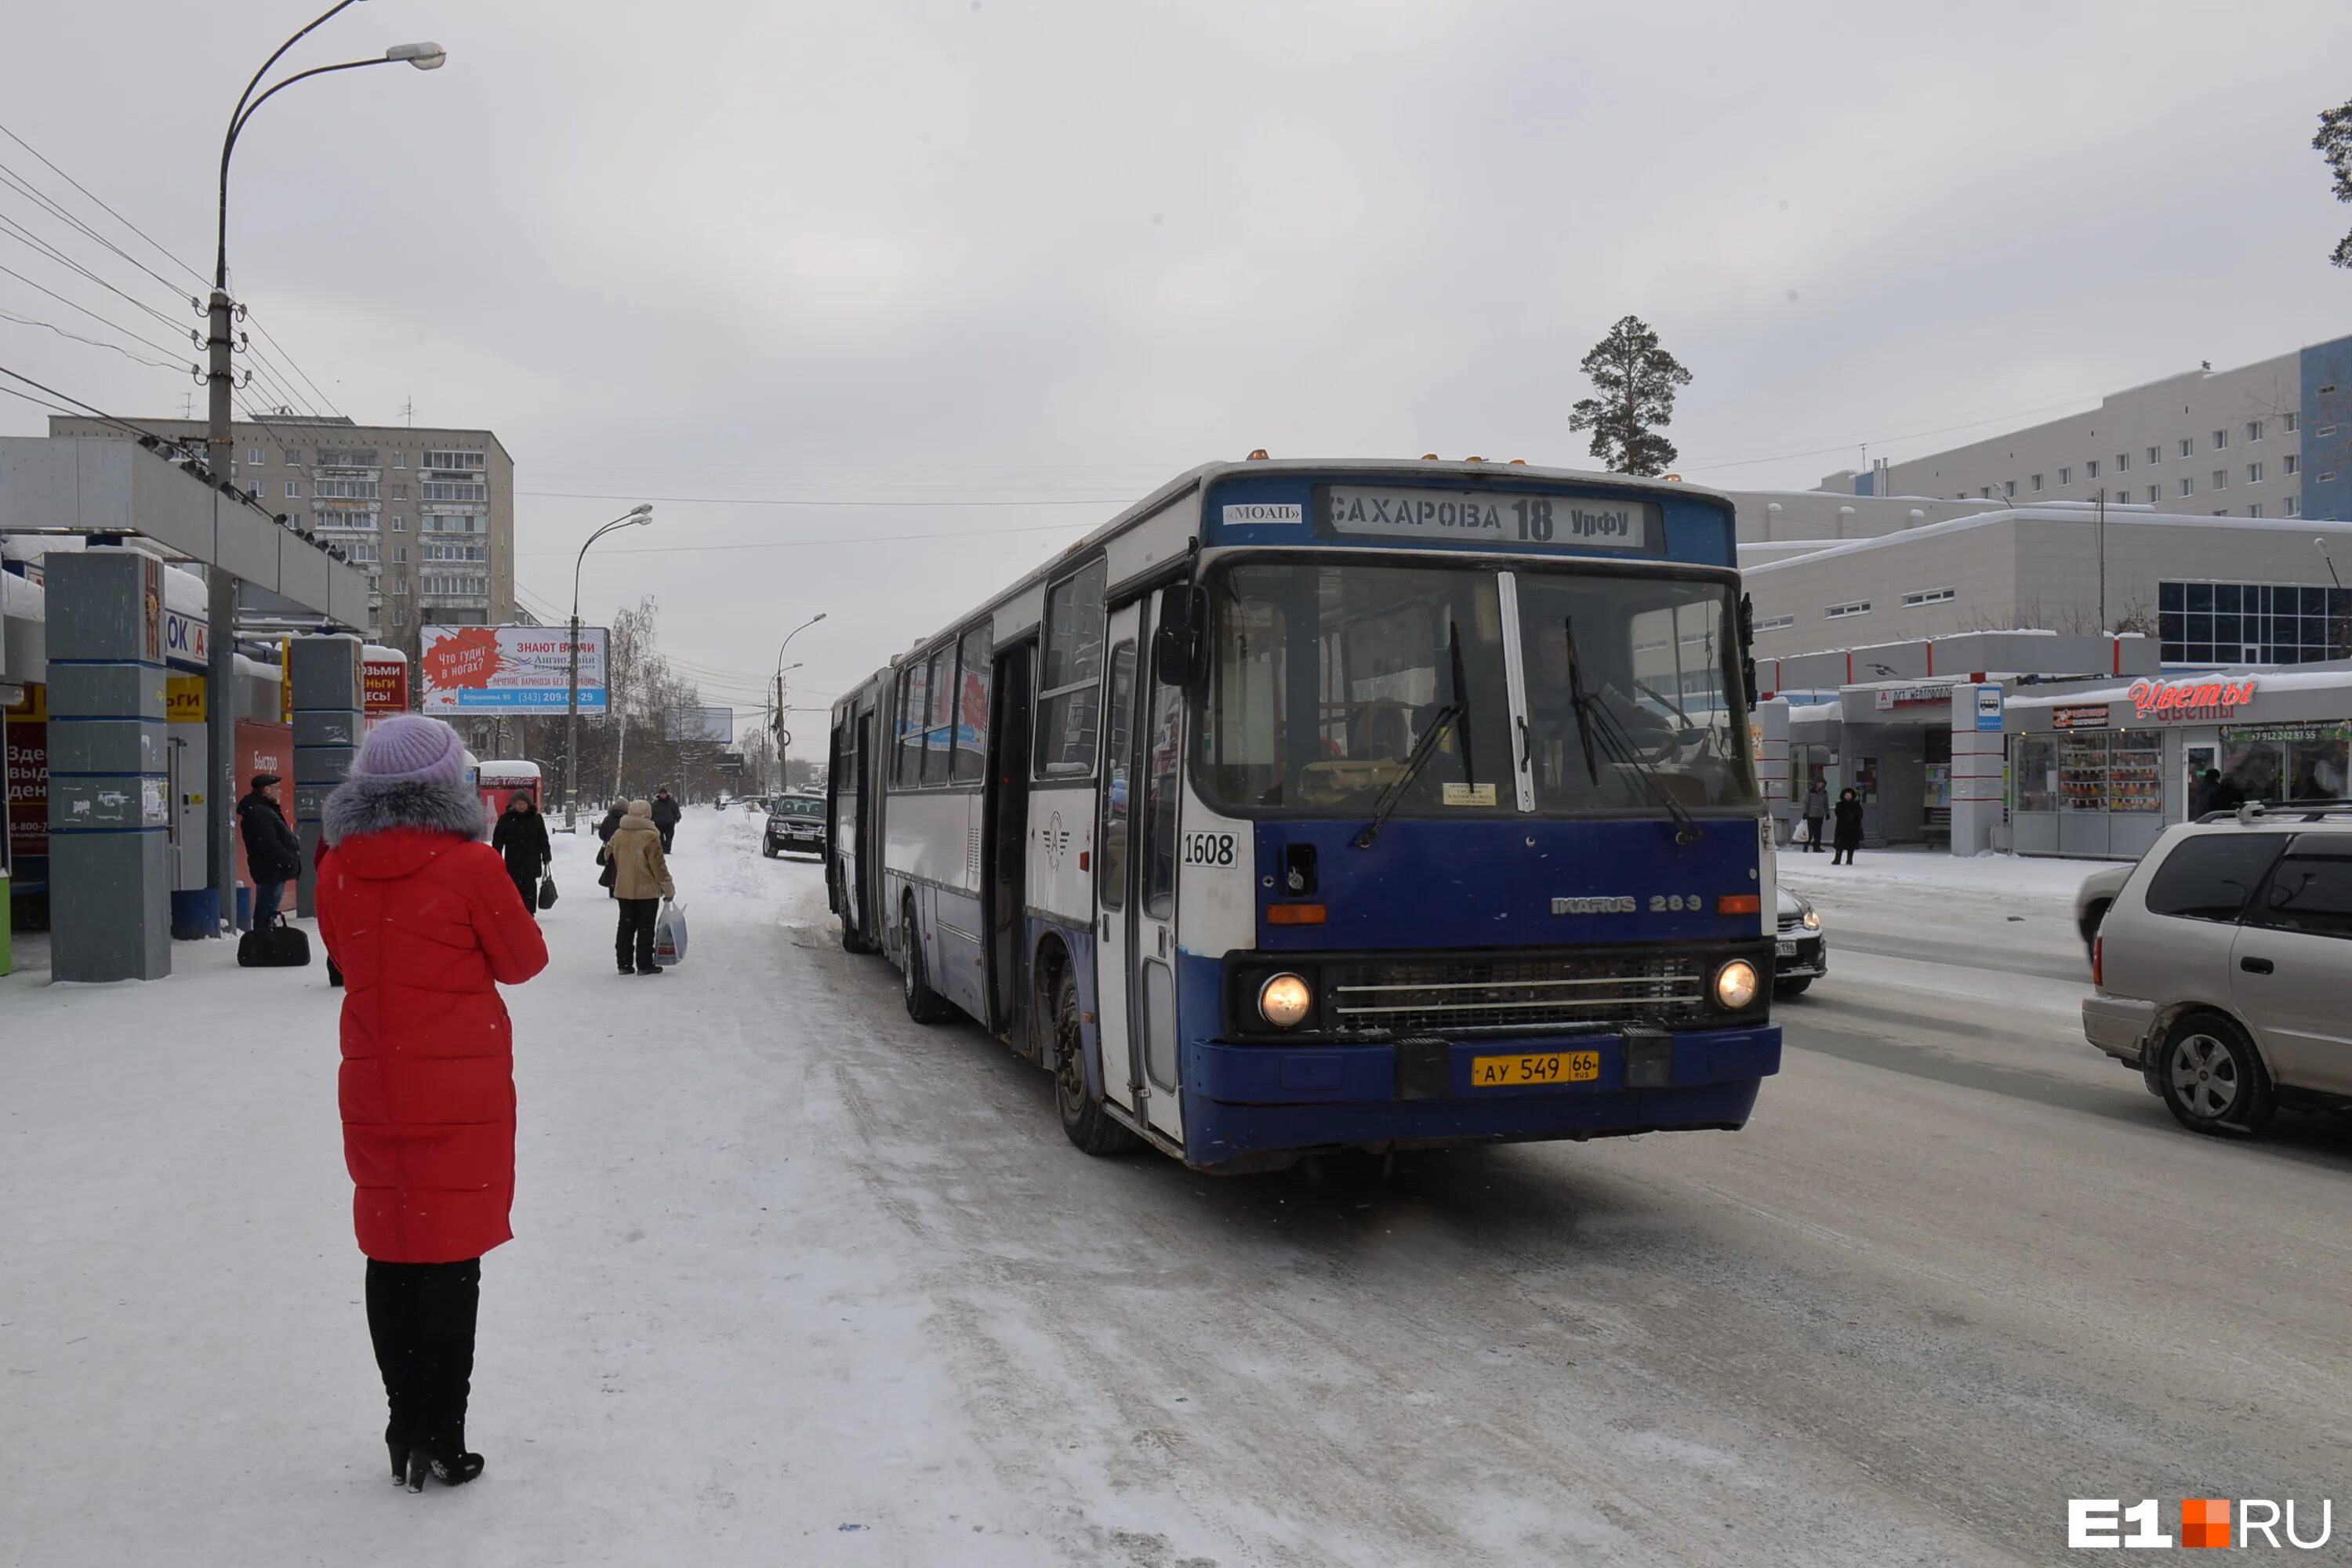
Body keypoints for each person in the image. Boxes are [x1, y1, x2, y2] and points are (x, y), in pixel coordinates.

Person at [316, 715, 550, 1492]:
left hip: (376, 1081)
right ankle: (444, 1437)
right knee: (451, 1258)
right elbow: (524, 961)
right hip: (459, 1090)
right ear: (450, 785)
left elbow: (348, 958)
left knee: (391, 1250)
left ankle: (402, 1420)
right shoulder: (470, 867)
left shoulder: (337, 865)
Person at [605, 797, 676, 976]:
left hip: (624, 888)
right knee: (645, 927)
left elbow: (608, 853)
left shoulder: (619, 834)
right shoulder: (650, 836)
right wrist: (668, 888)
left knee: (625, 926)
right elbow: (659, 867)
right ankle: (644, 964)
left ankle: (624, 963)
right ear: (647, 814)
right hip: (647, 890)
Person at [236, 771, 303, 927]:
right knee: (267, 913)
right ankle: (263, 943)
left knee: (268, 912)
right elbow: (268, 843)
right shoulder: (260, 812)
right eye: (276, 788)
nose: (279, 791)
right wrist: (287, 859)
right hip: (271, 871)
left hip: (272, 870)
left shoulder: (265, 810)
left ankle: (265, 940)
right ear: (266, 790)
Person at [490, 791, 552, 916]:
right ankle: (516, 910)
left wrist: (546, 855)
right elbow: (498, 840)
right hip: (513, 860)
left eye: (523, 803)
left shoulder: (536, 818)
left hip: (531, 859)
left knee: (530, 887)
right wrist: (496, 857)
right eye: (518, 804)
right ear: (513, 805)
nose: (521, 806)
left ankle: (529, 912)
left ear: (528, 804)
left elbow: (543, 838)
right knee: (514, 886)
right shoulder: (506, 819)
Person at [595, 801, 626, 899]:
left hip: (610, 848)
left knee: (611, 869)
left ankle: (611, 889)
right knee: (622, 869)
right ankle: (621, 890)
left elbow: (601, 834)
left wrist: (607, 839)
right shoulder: (626, 820)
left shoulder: (607, 819)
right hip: (624, 849)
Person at [1831, 787, 1864, 866]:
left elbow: (1860, 815)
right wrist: (1847, 815)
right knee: (1840, 845)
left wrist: (1854, 816)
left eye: (1850, 795)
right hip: (1842, 828)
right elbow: (1838, 814)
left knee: (1851, 845)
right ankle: (1837, 859)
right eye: (1847, 795)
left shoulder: (1856, 805)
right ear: (1843, 796)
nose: (1848, 797)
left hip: (1853, 828)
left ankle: (1849, 860)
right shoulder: (1840, 804)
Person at [1802, 777, 1829, 854]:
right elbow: (1806, 802)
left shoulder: (1824, 792)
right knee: (1810, 832)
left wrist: (1827, 813)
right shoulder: (1810, 791)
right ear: (1816, 783)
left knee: (1818, 832)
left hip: (1820, 815)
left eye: (1822, 783)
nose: (1820, 784)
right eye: (1819, 783)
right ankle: (1806, 845)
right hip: (1811, 814)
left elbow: (1826, 803)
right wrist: (1805, 812)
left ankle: (1817, 846)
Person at [649, 787, 681, 853]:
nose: (663, 795)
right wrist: (650, 819)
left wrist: (677, 817)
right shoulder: (655, 803)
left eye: (664, 794)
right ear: (659, 795)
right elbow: (651, 812)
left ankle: (667, 849)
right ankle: (662, 849)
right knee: (660, 837)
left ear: (666, 794)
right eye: (661, 794)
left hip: (669, 823)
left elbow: (676, 810)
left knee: (669, 837)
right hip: (659, 823)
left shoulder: (672, 802)